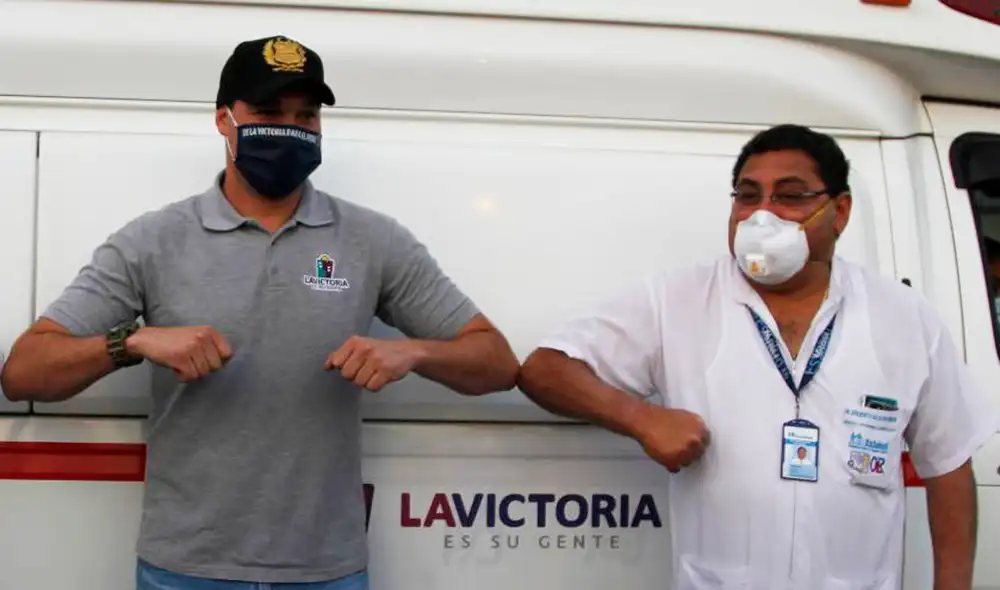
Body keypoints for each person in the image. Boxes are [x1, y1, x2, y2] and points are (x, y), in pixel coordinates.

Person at [0, 35, 519, 589]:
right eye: (269, 112)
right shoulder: (153, 241)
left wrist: (413, 351)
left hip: (326, 570)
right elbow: (24, 372)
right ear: (224, 120)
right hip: (186, 570)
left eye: (306, 115)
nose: (290, 128)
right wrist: (132, 341)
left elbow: (496, 363)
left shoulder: (373, 240)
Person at [517, 124, 999, 590]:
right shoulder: (676, 300)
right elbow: (545, 369)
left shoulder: (903, 316)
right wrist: (639, 417)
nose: (761, 214)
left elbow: (949, 466)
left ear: (840, 211)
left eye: (789, 195)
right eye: (748, 195)